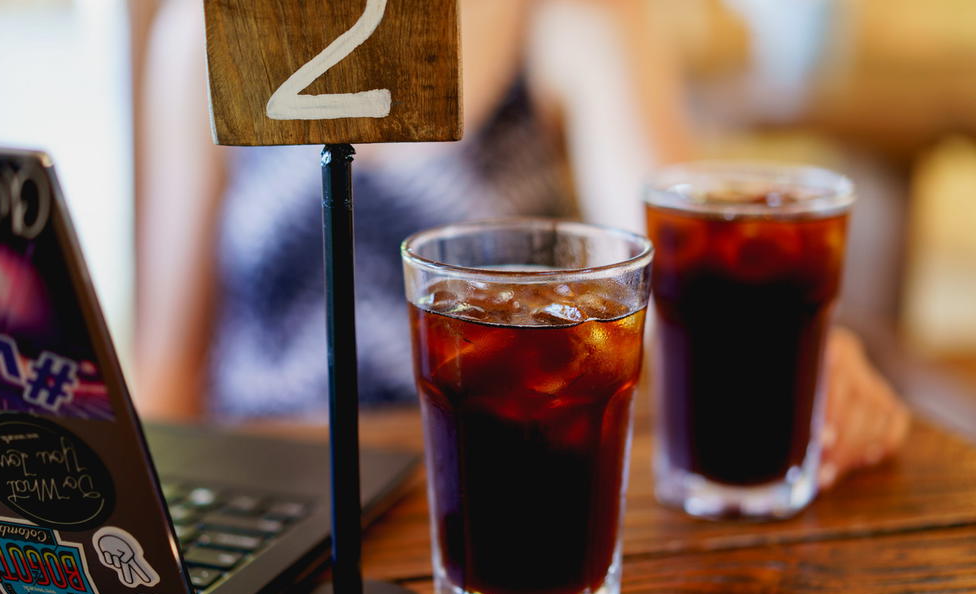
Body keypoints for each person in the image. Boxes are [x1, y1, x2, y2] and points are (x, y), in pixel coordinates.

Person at [135, 0, 907, 490]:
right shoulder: (199, 34)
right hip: (264, 489)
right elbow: (167, 365)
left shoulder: (573, 21)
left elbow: (678, 297)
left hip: (502, 489)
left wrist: (779, 360)